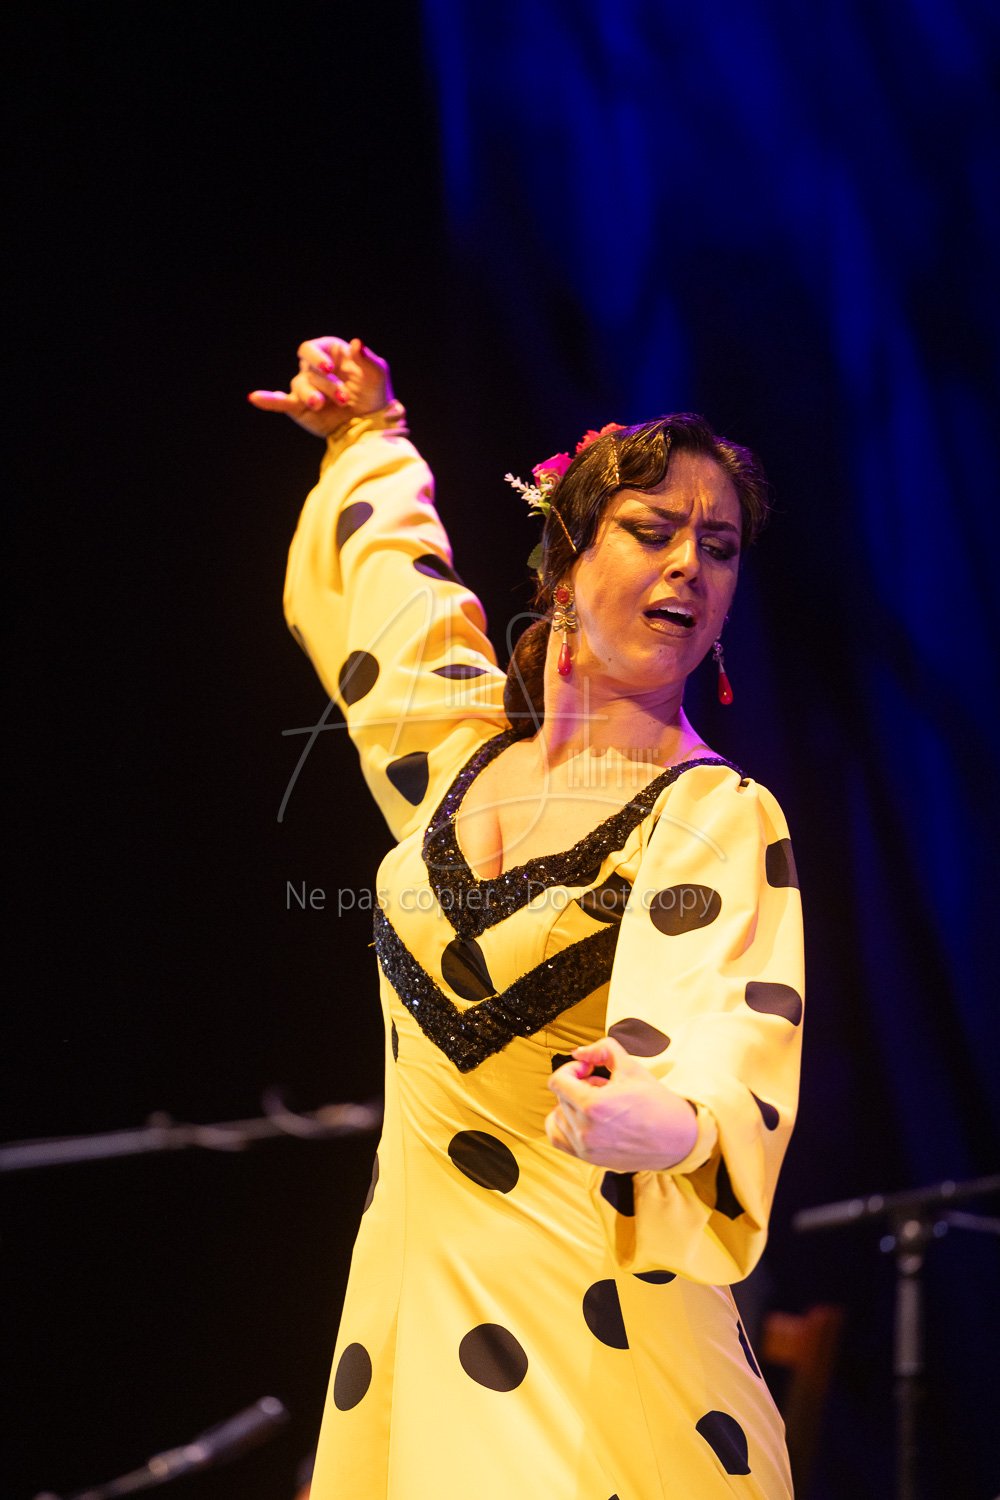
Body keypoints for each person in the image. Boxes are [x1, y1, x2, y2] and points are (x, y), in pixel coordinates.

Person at [250, 336, 804, 1499]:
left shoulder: (708, 812)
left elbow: (721, 1014)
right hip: (411, 1332)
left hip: (596, 1353)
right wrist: (366, 436)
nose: (690, 566)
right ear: (564, 567)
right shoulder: (451, 760)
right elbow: (388, 599)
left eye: (717, 547)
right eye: (652, 530)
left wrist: (668, 1120)